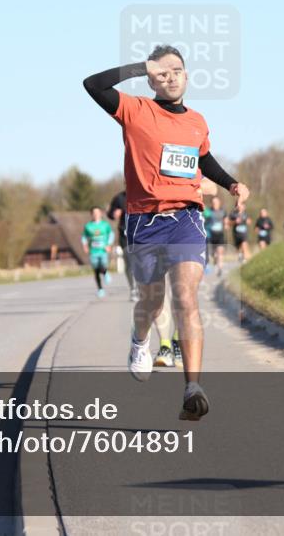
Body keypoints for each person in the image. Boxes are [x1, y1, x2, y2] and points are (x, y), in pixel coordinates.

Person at [84, 44, 249, 421]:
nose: (171, 76)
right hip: (143, 220)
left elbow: (203, 158)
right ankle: (140, 339)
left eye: (177, 70)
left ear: (187, 76)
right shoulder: (135, 110)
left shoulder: (197, 121)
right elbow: (92, 84)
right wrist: (141, 66)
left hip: (186, 217)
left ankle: (193, 388)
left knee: (187, 298)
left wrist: (232, 184)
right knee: (151, 301)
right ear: (152, 78)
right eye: (163, 72)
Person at [108, 190, 138, 301]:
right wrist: (114, 214)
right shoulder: (119, 198)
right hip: (125, 234)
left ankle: (143, 287)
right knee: (129, 261)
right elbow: (110, 214)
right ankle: (133, 289)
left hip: (142, 232)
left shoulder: (143, 192)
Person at [81, 206, 114, 297]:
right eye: (94, 213)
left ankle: (105, 272)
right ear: (91, 215)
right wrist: (85, 246)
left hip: (103, 250)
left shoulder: (105, 225)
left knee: (103, 265)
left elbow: (111, 234)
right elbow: (84, 237)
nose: (96, 214)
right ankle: (100, 289)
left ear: (100, 213)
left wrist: (109, 245)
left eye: (97, 212)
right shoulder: (88, 226)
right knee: (96, 270)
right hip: (93, 251)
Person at [206, 196, 228, 277]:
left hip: (220, 235)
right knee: (213, 254)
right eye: (213, 202)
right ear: (212, 203)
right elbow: (204, 218)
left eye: (216, 202)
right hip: (210, 235)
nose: (215, 204)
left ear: (219, 203)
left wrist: (226, 225)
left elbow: (226, 220)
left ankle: (220, 269)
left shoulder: (223, 211)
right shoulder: (208, 211)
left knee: (220, 251)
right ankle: (215, 258)